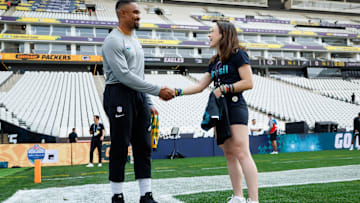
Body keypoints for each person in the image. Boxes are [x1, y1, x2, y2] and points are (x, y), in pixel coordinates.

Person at [173, 21, 258, 203]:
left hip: (235, 107)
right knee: (228, 153)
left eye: (212, 32)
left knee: (242, 152)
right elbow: (199, 86)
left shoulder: (238, 55)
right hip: (220, 109)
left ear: (224, 34)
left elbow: (248, 82)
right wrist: (176, 92)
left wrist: (226, 88)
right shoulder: (215, 62)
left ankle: (253, 199)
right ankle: (238, 197)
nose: (209, 36)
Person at [102, 1, 174, 202]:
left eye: (139, 12)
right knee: (120, 144)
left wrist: (148, 101)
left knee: (143, 145)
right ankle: (117, 195)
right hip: (119, 93)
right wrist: (158, 91)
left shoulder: (134, 39)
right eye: (134, 12)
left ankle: (146, 195)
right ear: (122, 13)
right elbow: (124, 75)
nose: (138, 16)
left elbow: (139, 74)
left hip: (138, 95)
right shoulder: (112, 41)